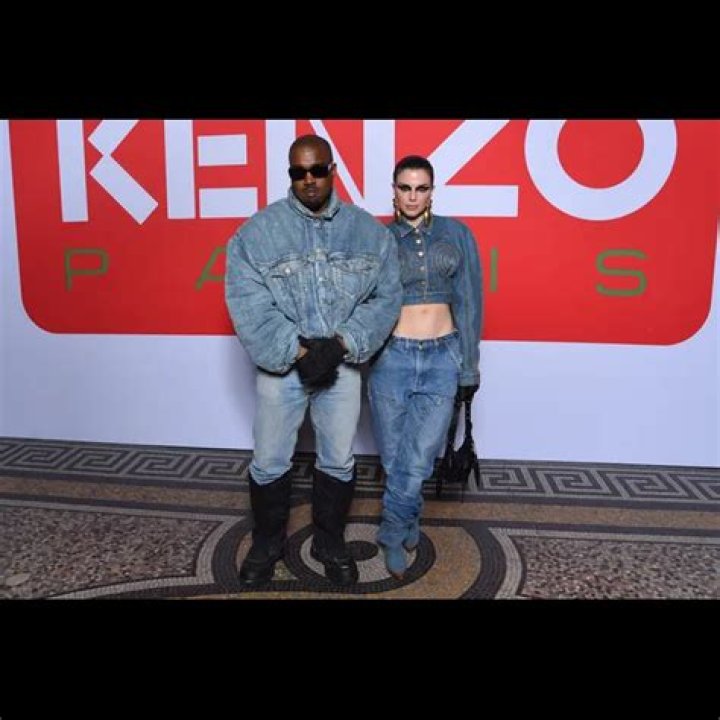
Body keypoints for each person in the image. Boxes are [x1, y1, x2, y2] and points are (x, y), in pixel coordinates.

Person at [225, 134, 401, 588]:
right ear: (290, 175)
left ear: (332, 170)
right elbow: (248, 303)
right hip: (281, 369)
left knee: (338, 460)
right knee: (268, 460)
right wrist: (300, 352)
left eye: (317, 170)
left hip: (342, 367)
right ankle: (267, 544)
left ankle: (329, 542)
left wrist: (340, 345)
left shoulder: (368, 233)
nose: (308, 180)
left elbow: (386, 299)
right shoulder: (256, 234)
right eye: (298, 172)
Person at [368, 155, 483, 579]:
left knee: (418, 459)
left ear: (432, 191)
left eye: (421, 188)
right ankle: (409, 514)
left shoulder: (457, 234)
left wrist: (469, 367)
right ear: (394, 191)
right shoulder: (378, 239)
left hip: (442, 358)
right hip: (391, 358)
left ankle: (391, 532)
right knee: (394, 457)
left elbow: (469, 303)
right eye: (405, 188)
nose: (413, 196)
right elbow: (367, 303)